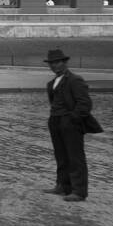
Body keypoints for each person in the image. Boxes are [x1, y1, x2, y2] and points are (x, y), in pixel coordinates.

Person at [43, 48, 93, 202]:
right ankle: (62, 185)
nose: (54, 66)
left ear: (64, 63)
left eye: (57, 62)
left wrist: (72, 118)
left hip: (70, 122)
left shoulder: (75, 80)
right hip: (56, 121)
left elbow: (85, 104)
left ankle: (79, 191)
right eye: (52, 63)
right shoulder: (51, 83)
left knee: (75, 157)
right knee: (61, 156)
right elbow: (54, 102)